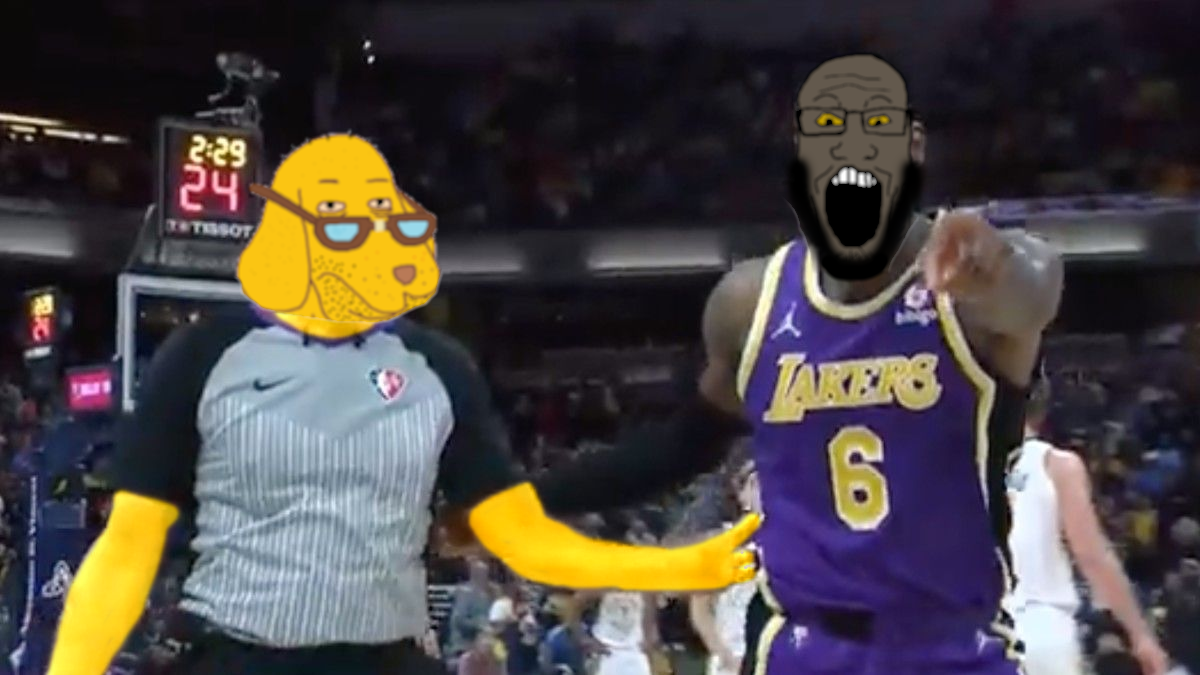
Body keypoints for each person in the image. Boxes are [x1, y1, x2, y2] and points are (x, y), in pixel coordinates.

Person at [46, 137, 756, 675]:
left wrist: (675, 568)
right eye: (346, 225)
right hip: (233, 651)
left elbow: (524, 533)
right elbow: (127, 546)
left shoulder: (437, 365)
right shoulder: (204, 354)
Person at [529, 54, 1065, 674]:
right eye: (829, 126)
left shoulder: (969, 289)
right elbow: (681, 448)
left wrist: (996, 264)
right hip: (802, 647)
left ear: (913, 144)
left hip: (951, 646)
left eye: (873, 124)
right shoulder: (749, 302)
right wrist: (523, 499)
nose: (850, 145)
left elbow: (1036, 288)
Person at [1007, 376, 1170, 675]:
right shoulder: (1055, 464)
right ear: (1043, 411)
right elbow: (1092, 556)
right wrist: (1140, 634)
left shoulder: (961, 467)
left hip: (975, 631)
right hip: (1043, 630)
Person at [689, 461, 761, 675]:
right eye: (755, 484)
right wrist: (725, 655)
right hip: (734, 656)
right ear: (741, 495)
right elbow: (700, 609)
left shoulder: (792, 542)